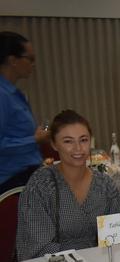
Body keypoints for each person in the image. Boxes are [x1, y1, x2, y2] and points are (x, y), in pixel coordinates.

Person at [16, 110, 120, 261]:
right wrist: (87, 255)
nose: (78, 148)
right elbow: (37, 247)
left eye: (83, 140)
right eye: (68, 141)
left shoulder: (104, 184)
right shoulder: (41, 185)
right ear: (54, 144)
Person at [0, 31, 46, 194]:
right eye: (30, 59)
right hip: (13, 180)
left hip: (25, 176)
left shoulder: (15, 94)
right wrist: (34, 139)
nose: (33, 64)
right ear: (13, 60)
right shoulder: (2, 94)